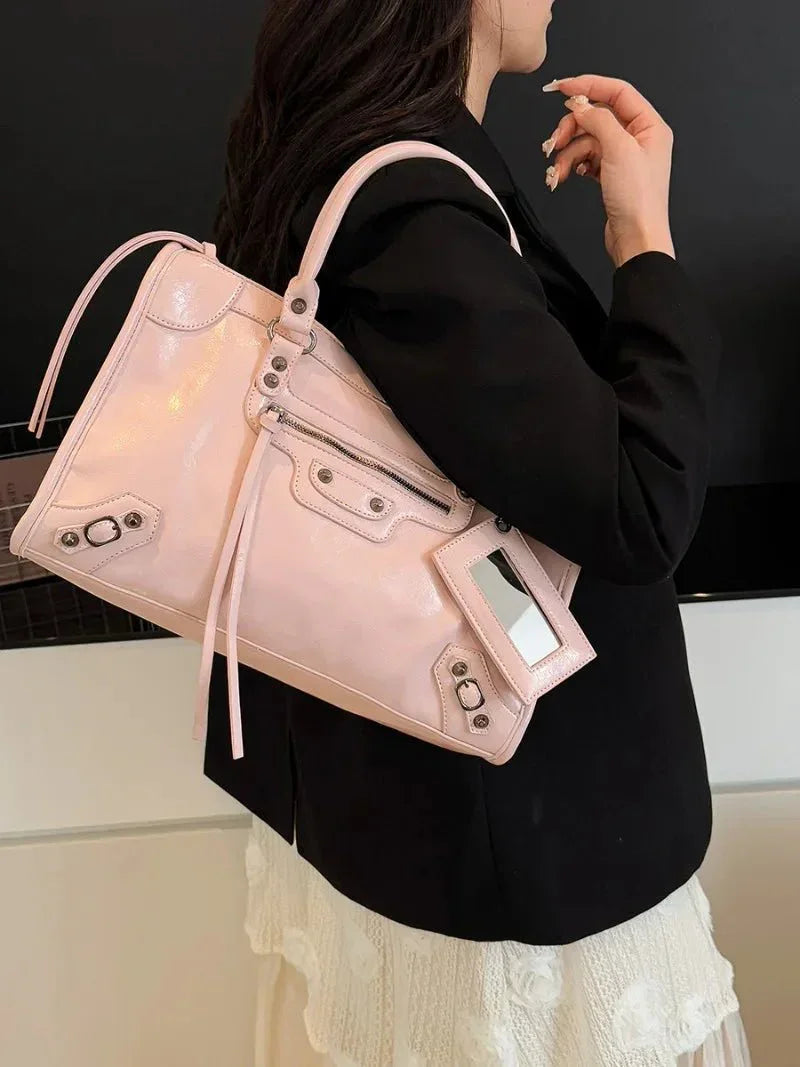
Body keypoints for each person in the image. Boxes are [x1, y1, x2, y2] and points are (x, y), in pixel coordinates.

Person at [205, 1, 751, 1063]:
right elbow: (638, 508)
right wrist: (644, 241)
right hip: (506, 832)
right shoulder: (409, 210)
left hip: (413, 796)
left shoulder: (342, 153)